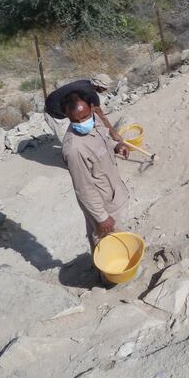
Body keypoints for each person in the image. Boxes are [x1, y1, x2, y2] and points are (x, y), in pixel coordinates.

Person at [60, 90, 132, 252]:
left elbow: (104, 142)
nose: (81, 123)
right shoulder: (74, 149)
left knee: (119, 238)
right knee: (107, 244)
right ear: (68, 116)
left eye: (84, 116)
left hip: (114, 193)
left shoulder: (95, 121)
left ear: (92, 108)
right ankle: (110, 277)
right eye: (75, 120)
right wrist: (101, 218)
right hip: (104, 205)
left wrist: (117, 146)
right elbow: (83, 188)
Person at [45, 74, 119, 143]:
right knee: (68, 140)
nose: (105, 90)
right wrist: (114, 134)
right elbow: (101, 116)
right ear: (99, 86)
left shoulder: (85, 83)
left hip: (61, 106)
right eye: (105, 88)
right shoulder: (89, 92)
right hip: (54, 114)